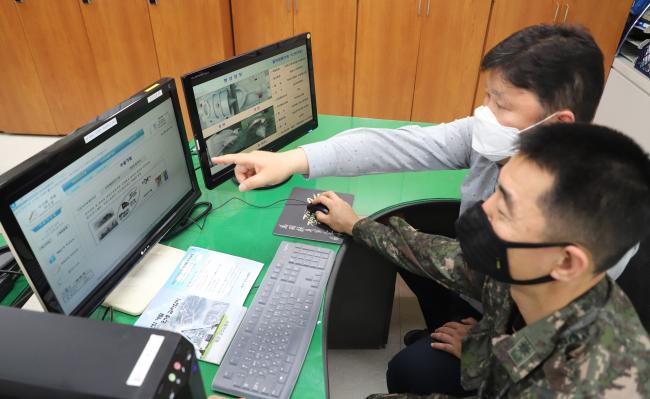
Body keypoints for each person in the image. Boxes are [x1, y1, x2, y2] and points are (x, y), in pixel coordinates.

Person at [213, 24, 645, 394]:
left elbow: (536, 337)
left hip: (515, 343)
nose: (483, 115)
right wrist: (297, 164)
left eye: (501, 104)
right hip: (501, 317)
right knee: (412, 235)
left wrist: (483, 349)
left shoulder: (589, 342)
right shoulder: (521, 174)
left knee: (409, 370)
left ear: (557, 125)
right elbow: (402, 147)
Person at [313, 123, 650, 397]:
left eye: (505, 208)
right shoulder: (532, 270)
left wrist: (483, 356)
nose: (482, 209)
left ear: (566, 262)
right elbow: (437, 256)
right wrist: (356, 225)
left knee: (409, 372)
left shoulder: (595, 381)